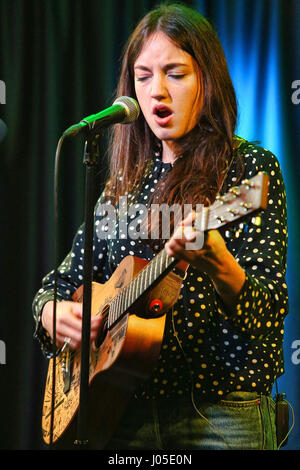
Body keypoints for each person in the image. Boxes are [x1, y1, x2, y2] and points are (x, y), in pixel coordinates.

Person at [33, 3, 289, 450]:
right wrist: (52, 313)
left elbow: (267, 316)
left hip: (220, 413)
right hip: (124, 416)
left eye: (175, 73)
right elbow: (58, 283)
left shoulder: (248, 171)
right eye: (143, 76)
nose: (157, 93)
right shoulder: (123, 184)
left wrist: (219, 264)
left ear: (206, 79)